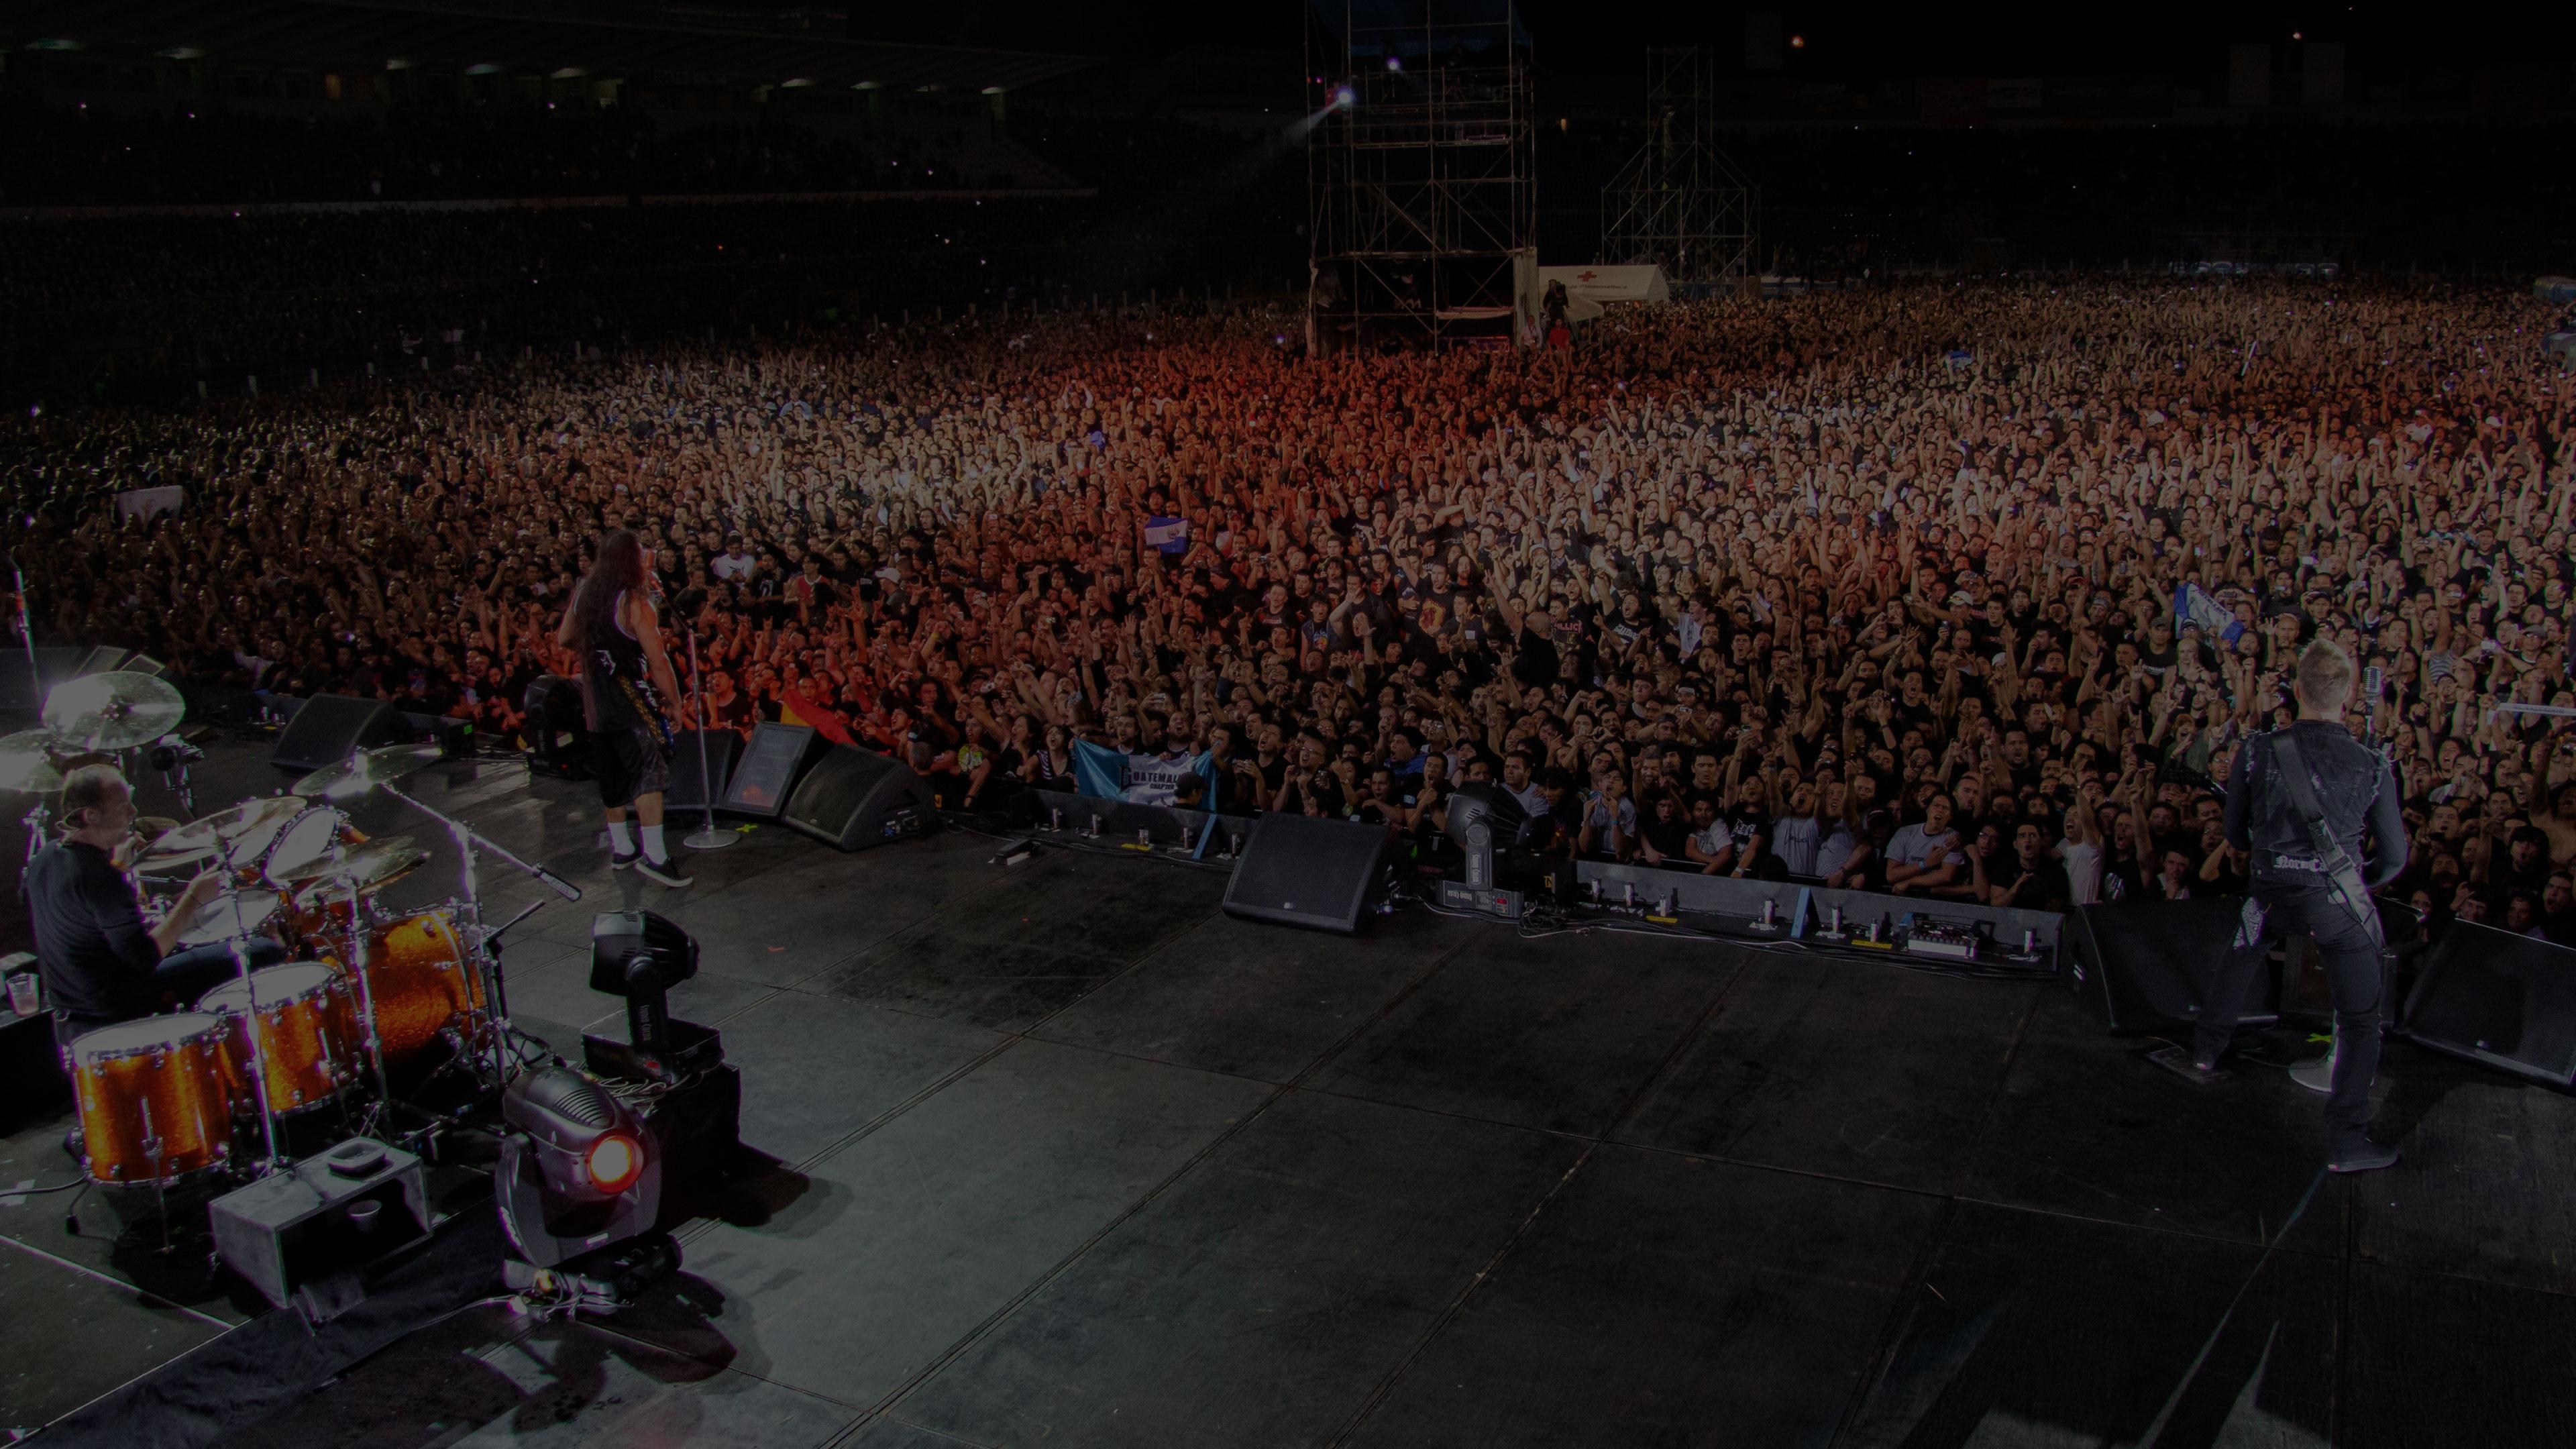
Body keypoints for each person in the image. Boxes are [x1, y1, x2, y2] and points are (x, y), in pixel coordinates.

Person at [2188, 640, 2408, 1174]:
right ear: (2350, 695)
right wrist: (2358, 883)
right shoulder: (2373, 765)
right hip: (2336, 905)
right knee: (2360, 1020)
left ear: (2298, 688)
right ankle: (2347, 1142)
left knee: (2241, 952)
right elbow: (2394, 858)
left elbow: (2235, 833)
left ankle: (2203, 1052)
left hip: (2269, 894)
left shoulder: (2259, 749)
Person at [25, 764, 286, 1050]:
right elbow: (144, 958)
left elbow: (42, 898)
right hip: (115, 1005)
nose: (133, 812)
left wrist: (119, 866)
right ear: (91, 816)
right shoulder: (101, 879)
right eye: (124, 806)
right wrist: (193, 897)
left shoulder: (46, 856)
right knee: (262, 951)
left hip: (70, 1006)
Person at [557, 528, 692, 886]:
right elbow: (658, 659)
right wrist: (675, 702)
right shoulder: (634, 601)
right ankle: (656, 857)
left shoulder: (584, 590)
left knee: (612, 775)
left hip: (594, 702)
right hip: (629, 699)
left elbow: (564, 638)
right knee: (649, 772)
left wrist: (596, 651)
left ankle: (622, 849)